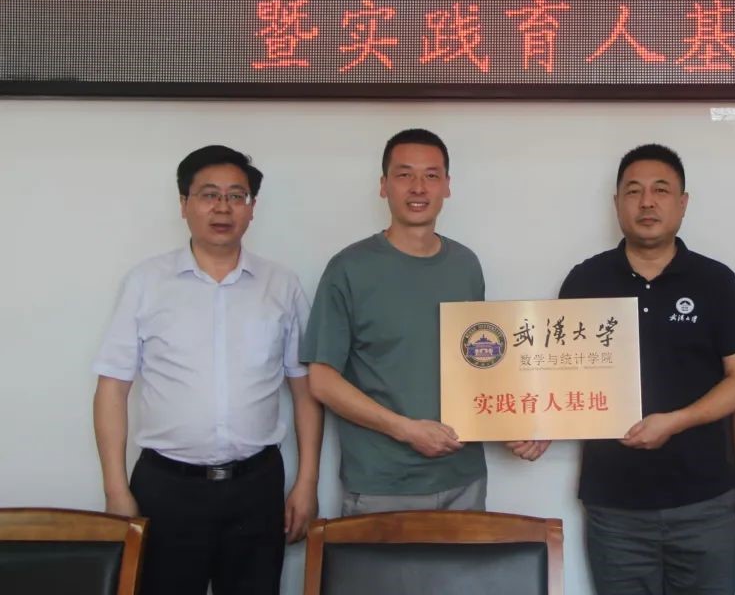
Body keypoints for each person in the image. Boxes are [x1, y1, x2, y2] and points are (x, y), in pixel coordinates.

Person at [92, 145, 323, 595]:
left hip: (256, 486)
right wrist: (116, 490)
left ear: (252, 208)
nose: (223, 207)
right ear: (184, 204)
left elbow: (305, 390)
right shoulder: (146, 283)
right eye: (209, 195)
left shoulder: (281, 285)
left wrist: (307, 482)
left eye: (237, 196)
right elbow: (111, 388)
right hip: (166, 487)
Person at [555, 143, 735, 595]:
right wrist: (533, 426)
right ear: (617, 203)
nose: (647, 202)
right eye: (634, 191)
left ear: (683, 203)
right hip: (614, 509)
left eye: (661, 190)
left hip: (705, 504)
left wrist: (677, 421)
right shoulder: (586, 280)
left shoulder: (716, 281)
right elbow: (559, 375)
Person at [303, 128, 498, 515]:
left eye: (431, 175)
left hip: (463, 477)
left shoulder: (466, 265)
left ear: (447, 186)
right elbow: (322, 381)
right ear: (384, 185)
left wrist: (518, 425)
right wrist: (405, 429)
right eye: (405, 174)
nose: (418, 187)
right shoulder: (349, 268)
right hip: (381, 483)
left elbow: (482, 363)